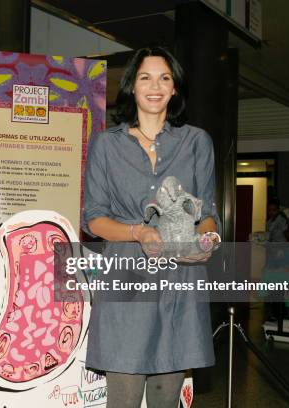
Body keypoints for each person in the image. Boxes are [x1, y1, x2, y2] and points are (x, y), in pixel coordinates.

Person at [83, 46, 220, 408]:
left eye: (165, 78)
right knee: (123, 400)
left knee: (165, 399)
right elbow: (94, 218)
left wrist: (209, 238)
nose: (155, 86)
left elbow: (208, 212)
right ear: (131, 87)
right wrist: (138, 233)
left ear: (175, 89)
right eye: (145, 77)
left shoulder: (196, 143)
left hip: (180, 281)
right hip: (127, 284)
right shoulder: (106, 145)